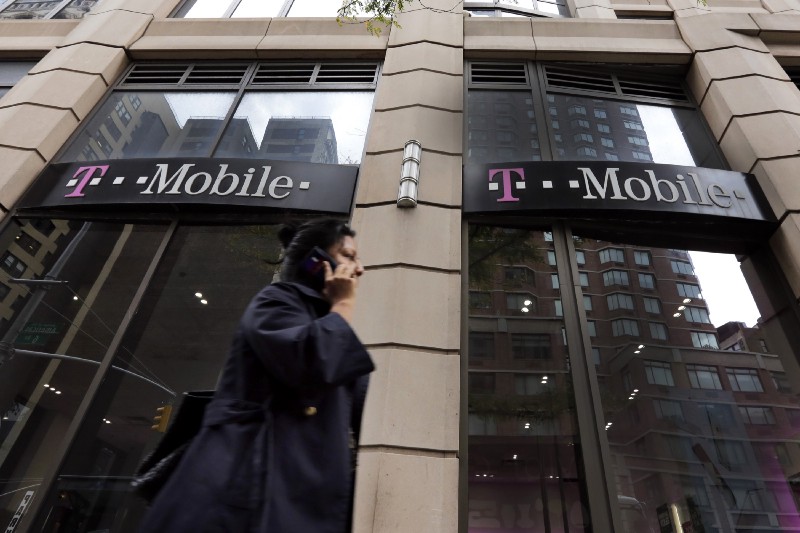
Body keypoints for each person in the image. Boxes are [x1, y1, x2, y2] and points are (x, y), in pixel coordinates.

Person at [138, 218, 375, 533]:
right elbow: (310, 365)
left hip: (290, 497)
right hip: (243, 497)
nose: (359, 268)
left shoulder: (328, 326)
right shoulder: (276, 303)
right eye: (348, 255)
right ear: (316, 261)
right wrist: (343, 303)